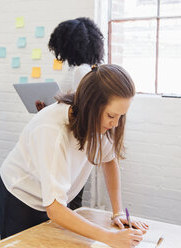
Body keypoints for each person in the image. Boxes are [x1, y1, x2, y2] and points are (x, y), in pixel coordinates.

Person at [0, 64, 149, 248]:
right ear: (91, 106)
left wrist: (118, 212)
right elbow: (55, 210)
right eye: (111, 115)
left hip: (54, 202)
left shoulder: (98, 122)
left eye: (121, 116)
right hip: (22, 197)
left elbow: (109, 161)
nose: (115, 124)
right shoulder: (52, 131)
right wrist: (110, 238)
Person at [35, 17, 105, 209]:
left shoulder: (80, 72)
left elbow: (80, 112)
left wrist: (50, 111)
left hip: (70, 143)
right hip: (76, 143)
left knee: (67, 200)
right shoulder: (92, 69)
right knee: (71, 197)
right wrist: (50, 110)